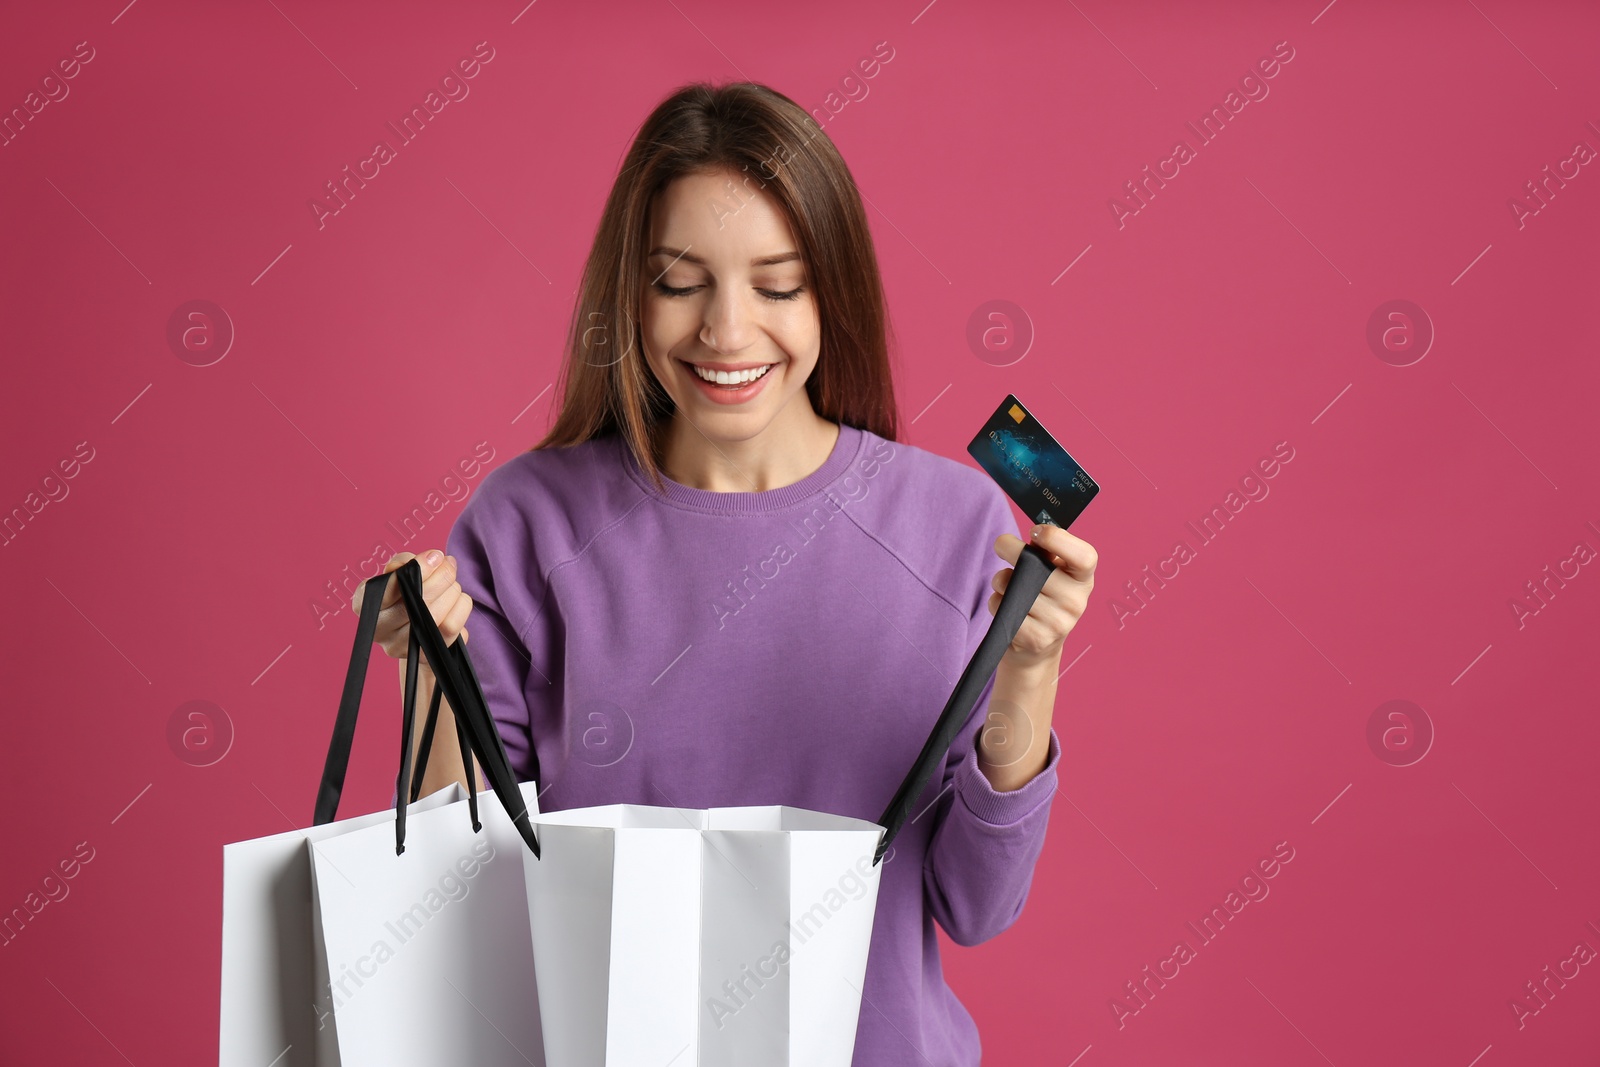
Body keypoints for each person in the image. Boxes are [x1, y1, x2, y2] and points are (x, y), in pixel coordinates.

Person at [351, 80, 1097, 1066]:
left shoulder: (955, 523)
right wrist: (427, 669)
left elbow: (977, 903)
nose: (727, 332)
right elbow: (456, 891)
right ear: (631, 291)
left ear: (833, 290)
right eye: (679, 281)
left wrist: (1030, 668)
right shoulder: (530, 520)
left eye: (777, 284)